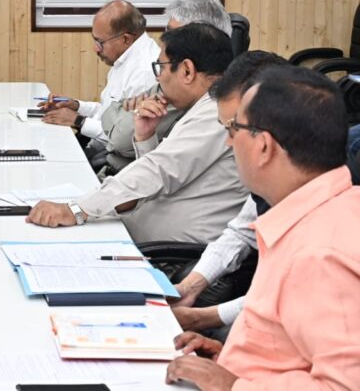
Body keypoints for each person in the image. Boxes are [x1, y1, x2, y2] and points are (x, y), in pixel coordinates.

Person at [165, 66, 360, 390]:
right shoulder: (315, 211)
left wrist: (233, 385)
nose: (228, 142)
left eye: (234, 129)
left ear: (264, 146)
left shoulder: (321, 255)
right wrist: (232, 359)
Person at [28, 23, 247, 244]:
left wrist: (76, 209)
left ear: (187, 71)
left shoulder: (215, 113)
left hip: (169, 253)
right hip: (141, 235)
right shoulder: (204, 106)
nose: (158, 78)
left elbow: (158, 170)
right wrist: (146, 136)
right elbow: (162, 175)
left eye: (161, 68)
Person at [166, 51, 287, 335]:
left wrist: (203, 319)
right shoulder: (270, 177)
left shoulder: (322, 198)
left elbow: (291, 295)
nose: (229, 143)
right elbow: (242, 232)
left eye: (233, 129)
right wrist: (191, 286)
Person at [101, 0, 234, 172]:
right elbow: (111, 111)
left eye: (175, 34)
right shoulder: (176, 84)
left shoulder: (203, 108)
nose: (166, 39)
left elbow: (120, 140)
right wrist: (143, 134)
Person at [40, 0, 158, 147]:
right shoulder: (126, 57)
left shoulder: (144, 73)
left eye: (100, 42)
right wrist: (77, 106)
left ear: (126, 39)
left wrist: (78, 121)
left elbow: (125, 139)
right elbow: (107, 113)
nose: (96, 49)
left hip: (110, 156)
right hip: (98, 148)